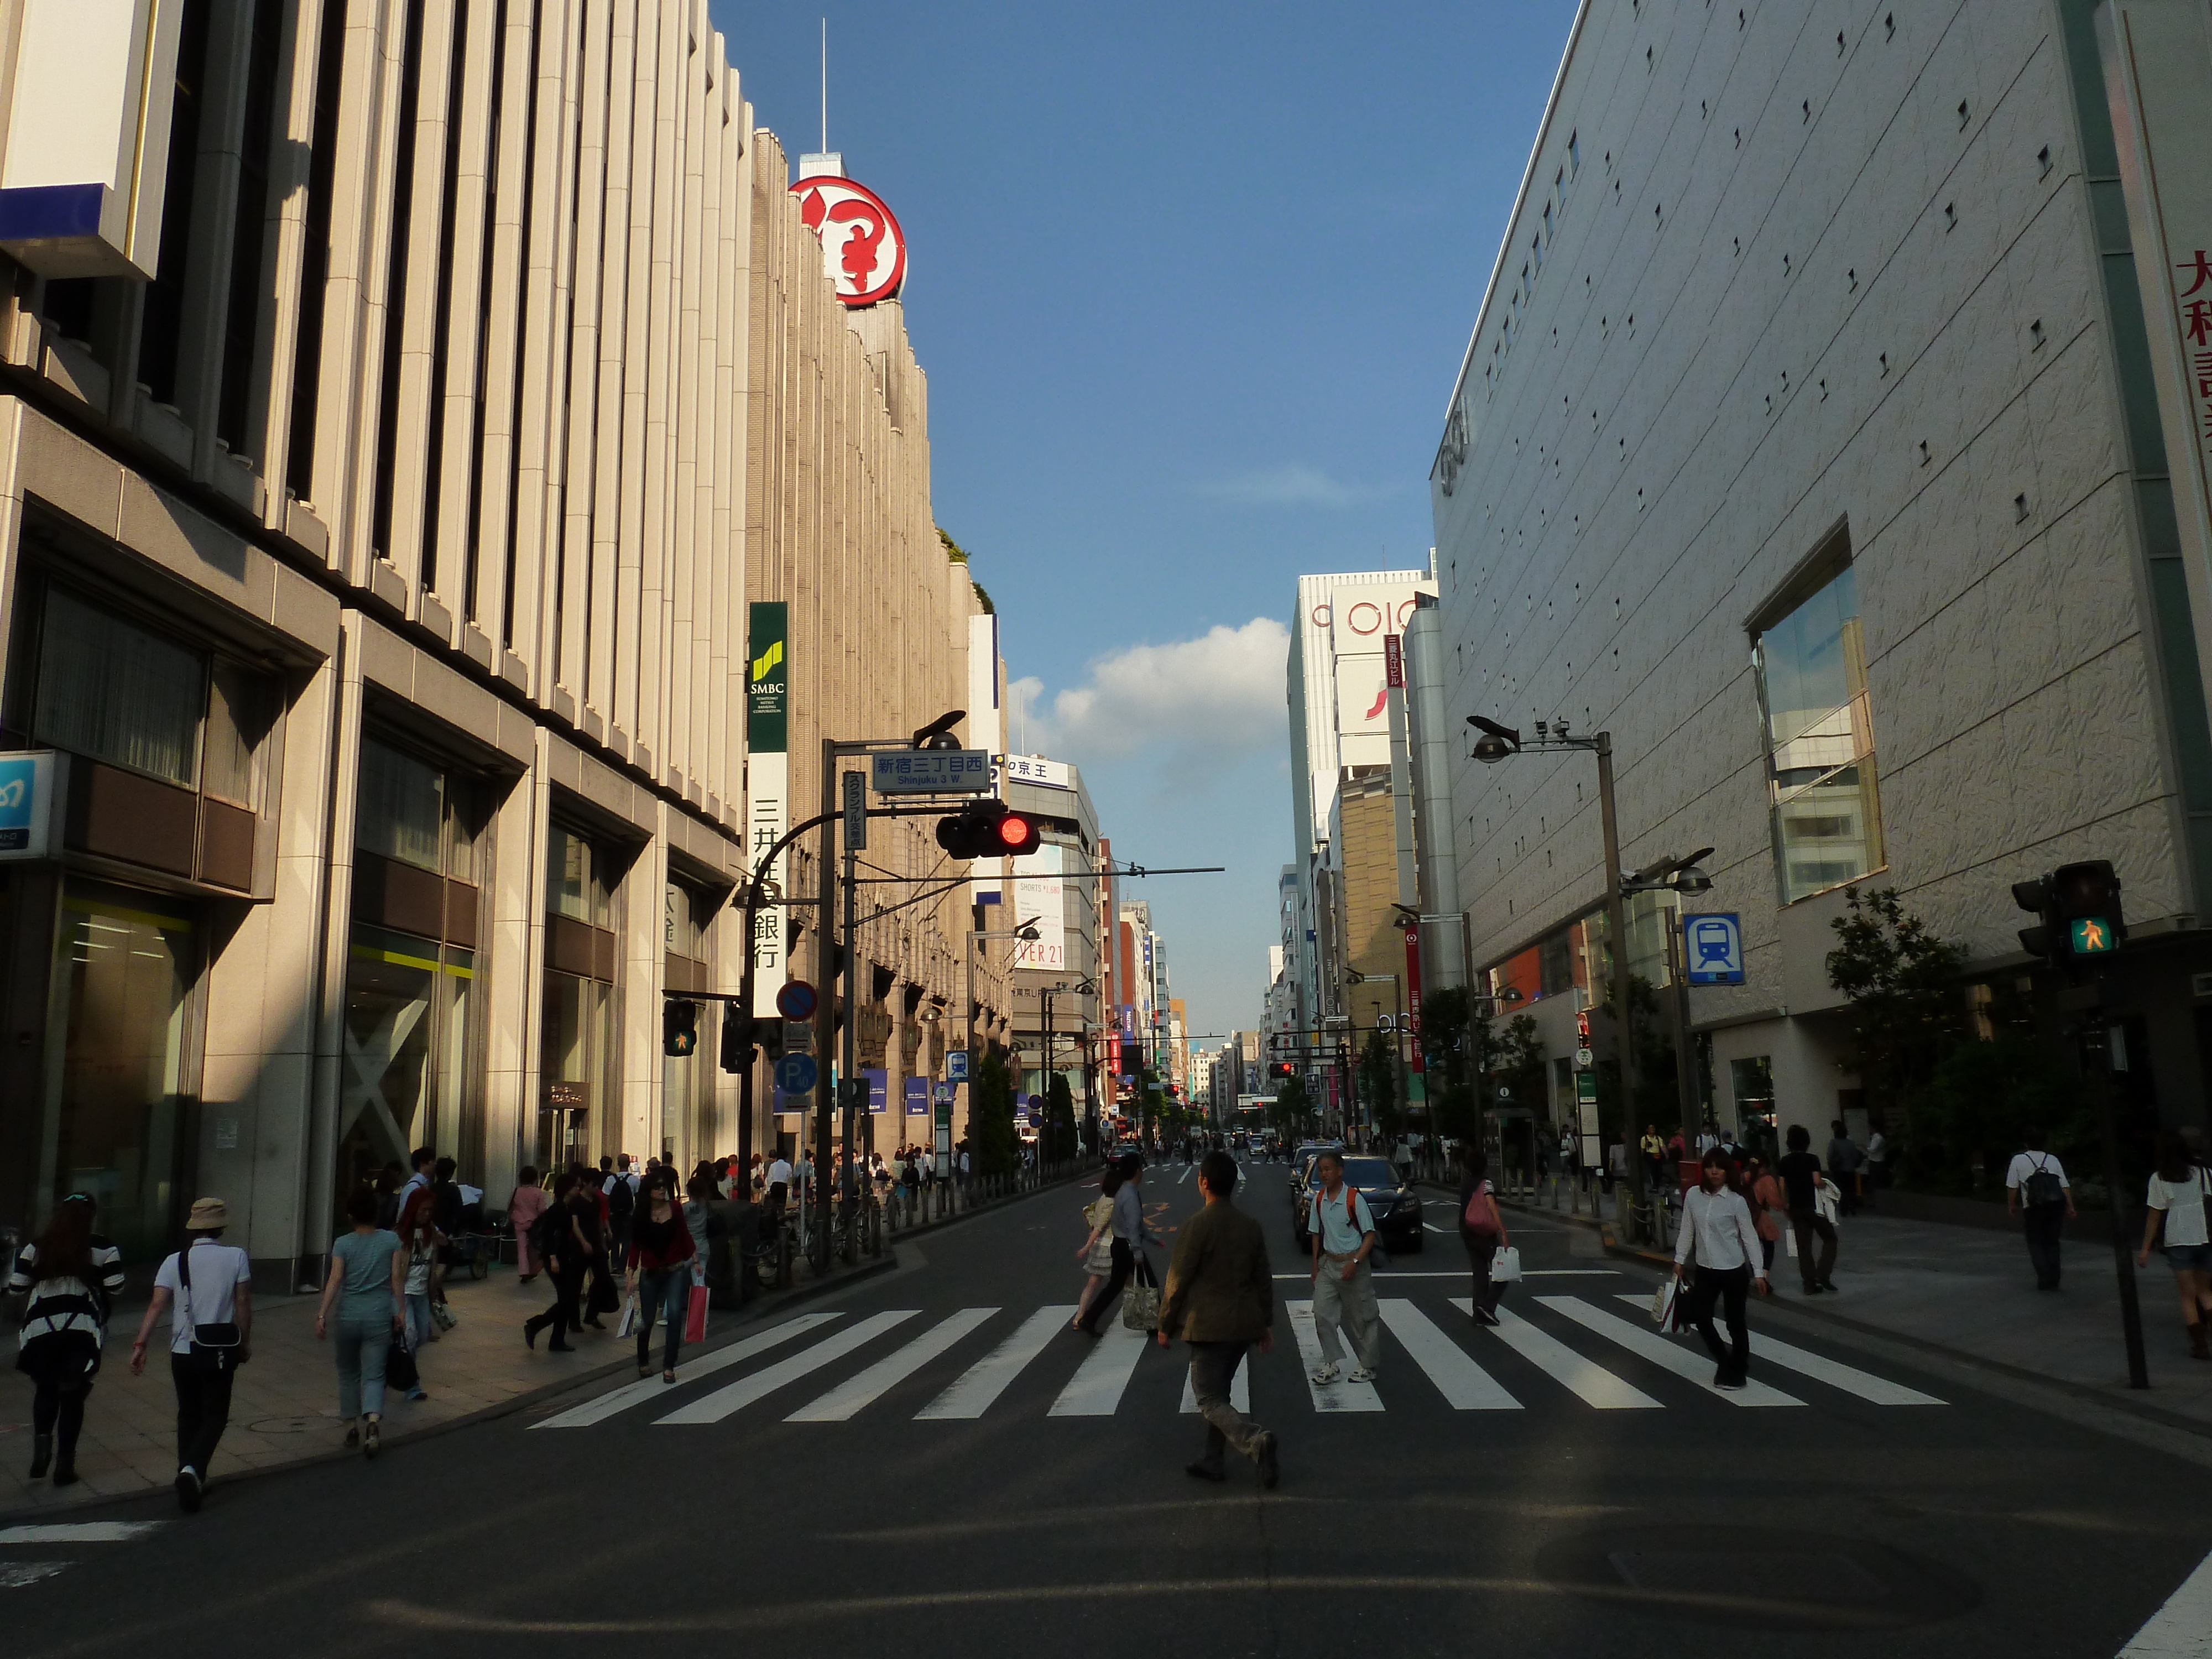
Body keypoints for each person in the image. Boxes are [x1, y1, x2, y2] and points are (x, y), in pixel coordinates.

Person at [1157, 1150, 1278, 1488]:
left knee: (1209, 1398)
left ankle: (1256, 1441)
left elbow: (1177, 1279)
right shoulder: (1251, 1226)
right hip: (1244, 1324)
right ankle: (1213, 1459)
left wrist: (1165, 1324)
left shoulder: (1198, 1225)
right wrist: (1265, 1323)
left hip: (1209, 1326)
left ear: (1204, 1183)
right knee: (1220, 1393)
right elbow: (1262, 1278)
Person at [131, 1197, 253, 1514]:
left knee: (188, 1413)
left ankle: (189, 1473)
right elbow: (242, 1304)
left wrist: (141, 1344)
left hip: (183, 1350)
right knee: (216, 1414)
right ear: (222, 1226)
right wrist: (245, 1341)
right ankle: (193, 1471)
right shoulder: (236, 1256)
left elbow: (157, 1305)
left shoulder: (175, 1261)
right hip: (220, 1349)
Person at [8, 1192, 124, 1486]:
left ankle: (41, 1451)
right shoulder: (102, 1246)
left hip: (41, 1328)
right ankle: (65, 1465)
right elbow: (116, 1287)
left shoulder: (36, 1247)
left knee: (45, 1388)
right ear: (92, 1215)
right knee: (73, 1394)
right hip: (81, 1329)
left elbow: (16, 1288)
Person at [314, 1188, 405, 1458]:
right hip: (378, 1315)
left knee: (348, 1372)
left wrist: (322, 1314)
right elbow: (397, 1279)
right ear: (376, 1213)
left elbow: (335, 1279)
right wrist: (401, 1311)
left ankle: (351, 1426)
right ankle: (374, 1422)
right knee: (375, 1373)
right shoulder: (391, 1240)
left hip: (348, 1315)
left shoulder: (343, 1243)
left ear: (351, 1215)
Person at [1672, 1150, 1771, 1389]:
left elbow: (1749, 1238)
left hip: (1733, 1270)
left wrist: (1759, 1272)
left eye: (1720, 1167)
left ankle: (1738, 1368)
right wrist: (1679, 1259)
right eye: (1710, 1167)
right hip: (1705, 1269)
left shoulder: (1736, 1201)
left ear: (1728, 1172)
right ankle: (1724, 1361)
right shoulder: (1694, 1196)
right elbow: (1687, 1229)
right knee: (1702, 1318)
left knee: (1735, 1322)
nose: (1714, 1171)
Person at [1307, 1150, 1381, 1384]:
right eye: (1321, 1169)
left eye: (1328, 1169)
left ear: (1340, 1171)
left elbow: (1370, 1235)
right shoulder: (1319, 1200)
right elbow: (1316, 1234)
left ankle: (1368, 1366)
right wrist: (1316, 1266)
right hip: (1329, 1264)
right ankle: (1331, 1363)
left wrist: (1356, 1262)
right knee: (1322, 1314)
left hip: (1354, 1264)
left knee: (1363, 1318)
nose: (1324, 1173)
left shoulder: (1353, 1199)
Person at [2140, 1131, 2212, 1360]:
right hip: (2204, 1236)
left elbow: (2154, 1217)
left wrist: (2145, 1249)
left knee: (2187, 1295)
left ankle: (2200, 1345)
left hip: (2178, 1240)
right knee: (2205, 1291)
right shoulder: (2204, 1173)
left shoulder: (2159, 1178)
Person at [625, 1168, 698, 1383]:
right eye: (657, 1187)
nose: (662, 1190)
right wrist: (630, 1274)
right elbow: (635, 1245)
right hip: (650, 1272)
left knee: (675, 1314)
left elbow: (684, 1234)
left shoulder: (675, 1208)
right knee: (647, 1320)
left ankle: (669, 1365)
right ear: (648, 1191)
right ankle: (643, 1360)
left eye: (664, 1186)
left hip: (674, 1269)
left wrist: (694, 1259)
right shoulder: (641, 1215)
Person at [1074, 1155, 1159, 1335]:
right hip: (1128, 1246)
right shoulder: (1130, 1194)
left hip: (1118, 1245)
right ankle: (1154, 1325)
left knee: (1115, 1285)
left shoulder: (1121, 1192)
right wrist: (1137, 1251)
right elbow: (1134, 1224)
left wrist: (1152, 1238)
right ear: (1137, 1172)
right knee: (1149, 1283)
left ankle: (1089, 1319)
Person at [524, 1172, 590, 1352]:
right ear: (567, 1190)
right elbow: (549, 1235)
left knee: (567, 1299)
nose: (578, 1188)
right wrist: (552, 1257)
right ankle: (535, 1325)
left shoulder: (567, 1208)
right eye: (575, 1186)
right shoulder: (557, 1210)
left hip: (564, 1257)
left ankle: (556, 1340)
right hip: (555, 1258)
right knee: (568, 1299)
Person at [2006, 1131, 2077, 1292]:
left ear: (2026, 1143)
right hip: (2055, 1206)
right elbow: (2064, 1185)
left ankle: (2044, 1277)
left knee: (2036, 1242)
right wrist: (2070, 1206)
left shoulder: (2018, 1160)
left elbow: (2012, 1186)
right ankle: (2054, 1278)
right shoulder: (2052, 1159)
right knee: (2052, 1241)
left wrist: (2011, 1205)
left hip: (2033, 1207)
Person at [1776, 1124, 1837, 1294]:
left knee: (1804, 1247)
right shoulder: (1812, 1159)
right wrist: (1827, 1185)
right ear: (1806, 1142)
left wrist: (1785, 1205)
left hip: (1795, 1207)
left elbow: (1782, 1187)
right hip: (1813, 1206)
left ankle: (1809, 1284)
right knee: (1830, 1237)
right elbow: (1817, 1181)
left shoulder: (1785, 1161)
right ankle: (1823, 1274)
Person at [393, 1181, 438, 1395]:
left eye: (430, 1210)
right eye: (424, 1210)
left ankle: (396, 1365)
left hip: (421, 1292)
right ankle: (412, 1382)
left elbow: (433, 1263)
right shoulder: (401, 1235)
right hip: (404, 1293)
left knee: (420, 1336)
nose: (427, 1214)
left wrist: (435, 1291)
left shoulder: (431, 1232)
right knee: (410, 1335)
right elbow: (396, 1272)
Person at [1457, 1148, 1508, 1326]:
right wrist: (1502, 1230)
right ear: (1485, 1165)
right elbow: (1491, 1205)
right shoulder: (1486, 1184)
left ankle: (1479, 1314)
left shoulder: (1466, 1184)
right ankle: (1487, 1307)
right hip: (1484, 1233)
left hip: (1467, 1233)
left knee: (1480, 1274)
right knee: (1504, 1270)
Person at [1072, 1167, 1122, 1330]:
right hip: (1109, 1247)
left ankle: (1079, 1316)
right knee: (1130, 1281)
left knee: (1093, 1283)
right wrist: (1086, 1247)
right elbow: (1099, 1227)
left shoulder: (1102, 1200)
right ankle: (1140, 1313)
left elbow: (1092, 1219)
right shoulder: (1112, 1204)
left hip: (1099, 1246)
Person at [1744, 1151, 1786, 1275]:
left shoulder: (1744, 1176)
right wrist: (1782, 1191)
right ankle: (1763, 1275)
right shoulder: (1766, 1180)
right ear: (1766, 1166)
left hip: (1745, 1215)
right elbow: (1776, 1203)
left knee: (1752, 1246)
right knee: (1768, 1246)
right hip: (1760, 1217)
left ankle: (1752, 1269)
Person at [509, 1166, 549, 1282]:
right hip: (534, 1223)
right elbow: (542, 1209)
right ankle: (533, 1271)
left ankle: (523, 1272)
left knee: (522, 1248)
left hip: (519, 1223)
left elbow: (511, 1206)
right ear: (535, 1178)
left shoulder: (517, 1191)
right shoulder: (538, 1192)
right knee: (533, 1248)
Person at [604, 1154, 639, 1265]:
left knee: (614, 1240)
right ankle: (622, 1266)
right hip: (628, 1214)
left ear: (618, 1164)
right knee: (627, 1241)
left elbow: (606, 1197)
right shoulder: (634, 1180)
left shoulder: (610, 1179)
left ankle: (614, 1264)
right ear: (629, 1164)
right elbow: (638, 1198)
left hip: (614, 1214)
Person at [1828, 1121, 1864, 1216]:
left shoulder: (1834, 1143)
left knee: (1841, 1189)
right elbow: (1856, 1157)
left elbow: (1830, 1156)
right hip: (1850, 1170)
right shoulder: (1851, 1143)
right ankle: (1853, 1207)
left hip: (1839, 1170)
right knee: (1851, 1189)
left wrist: (1831, 1166)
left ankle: (1843, 1209)